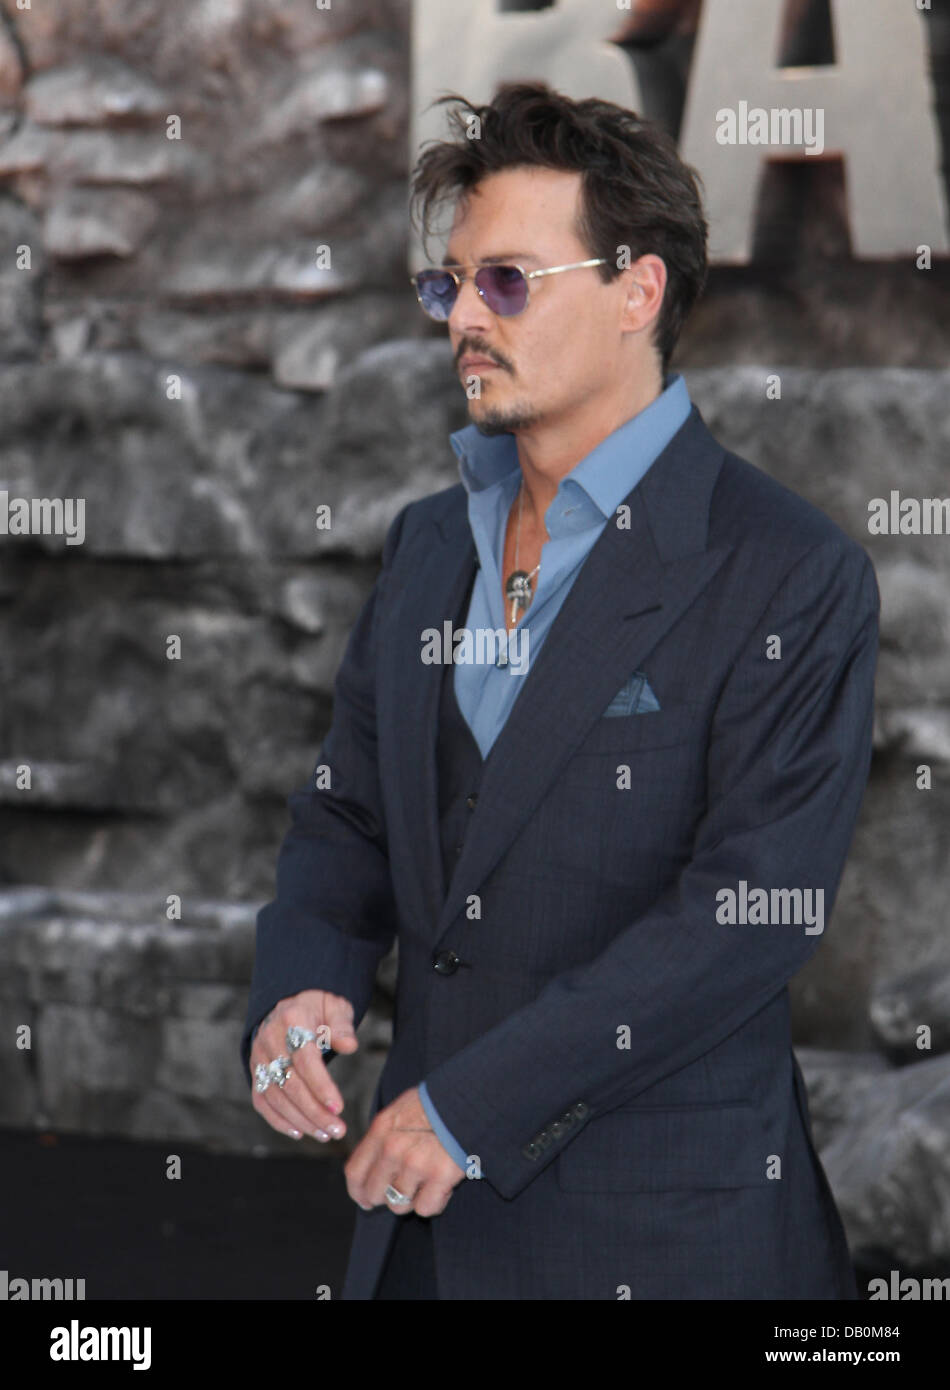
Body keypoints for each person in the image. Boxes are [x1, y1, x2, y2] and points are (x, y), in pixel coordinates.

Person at [240, 82, 878, 1300]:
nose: (465, 318)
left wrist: (468, 1105)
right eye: (452, 283)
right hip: (415, 1243)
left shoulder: (788, 573)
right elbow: (349, 816)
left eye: (510, 282)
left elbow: (745, 915)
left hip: (660, 1244)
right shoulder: (429, 544)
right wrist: (302, 976)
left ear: (636, 292)